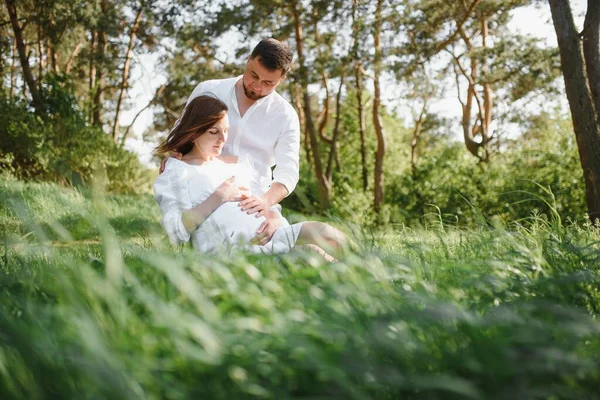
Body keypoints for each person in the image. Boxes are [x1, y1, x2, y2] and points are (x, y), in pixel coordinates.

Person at [153, 95, 348, 260]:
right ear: (194, 133)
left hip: (272, 234)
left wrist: (273, 218)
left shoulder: (229, 166)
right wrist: (219, 196)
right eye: (214, 132)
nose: (223, 139)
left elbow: (262, 202)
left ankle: (368, 274)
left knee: (329, 235)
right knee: (311, 254)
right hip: (238, 251)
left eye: (226, 131)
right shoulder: (177, 171)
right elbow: (175, 230)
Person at [162, 38, 300, 246]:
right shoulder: (209, 90)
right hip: (205, 198)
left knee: (310, 249)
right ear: (248, 59)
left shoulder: (286, 115)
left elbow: (288, 172)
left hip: (257, 202)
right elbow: (179, 137)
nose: (257, 86)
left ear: (281, 80)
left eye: (268, 83)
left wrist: (267, 204)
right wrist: (173, 158)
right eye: (254, 75)